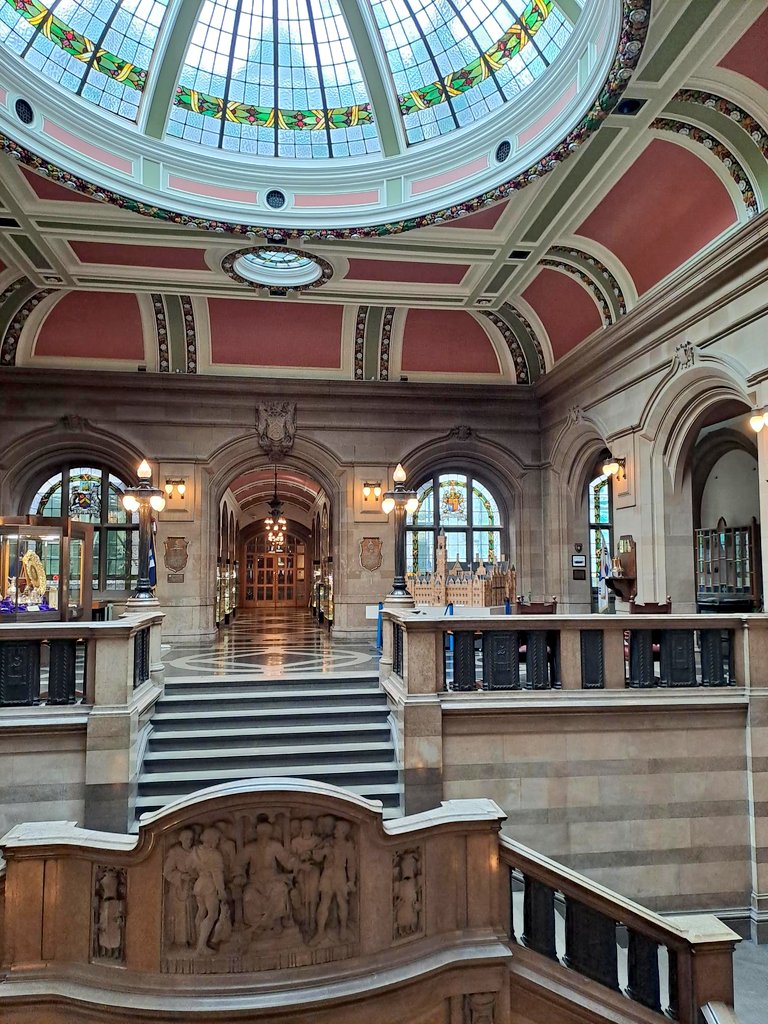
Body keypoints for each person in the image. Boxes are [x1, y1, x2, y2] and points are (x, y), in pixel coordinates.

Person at [237, 818, 295, 934]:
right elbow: (238, 864)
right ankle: (258, 924)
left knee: (280, 890)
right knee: (249, 897)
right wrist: (238, 876)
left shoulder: (275, 846)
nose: (264, 836)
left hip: (273, 879)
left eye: (266, 834)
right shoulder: (250, 848)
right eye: (261, 833)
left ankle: (276, 921)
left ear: (270, 834)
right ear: (257, 834)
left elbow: (287, 861)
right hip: (255, 882)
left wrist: (298, 862)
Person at [311, 818, 356, 945]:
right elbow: (315, 856)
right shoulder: (328, 842)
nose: (334, 831)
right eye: (335, 828)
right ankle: (320, 932)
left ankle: (343, 929)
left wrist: (351, 881)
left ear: (343, 832)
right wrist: (322, 852)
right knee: (324, 902)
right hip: (327, 873)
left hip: (340, 875)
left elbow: (351, 865)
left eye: (337, 829)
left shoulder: (347, 846)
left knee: (341, 902)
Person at [192, 826, 227, 955]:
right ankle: (202, 945)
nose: (217, 842)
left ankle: (198, 942)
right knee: (212, 915)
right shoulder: (215, 855)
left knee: (201, 912)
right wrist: (221, 891)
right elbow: (217, 875)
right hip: (210, 886)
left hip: (199, 884)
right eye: (217, 839)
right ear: (212, 839)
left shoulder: (195, 851)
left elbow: (188, 866)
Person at [163, 828, 197, 948]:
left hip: (192, 888)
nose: (189, 841)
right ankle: (180, 941)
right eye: (187, 839)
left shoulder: (195, 852)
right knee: (180, 914)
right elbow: (166, 872)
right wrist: (181, 876)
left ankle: (191, 940)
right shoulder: (174, 852)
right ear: (181, 839)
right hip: (178, 889)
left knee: (192, 913)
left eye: (191, 839)